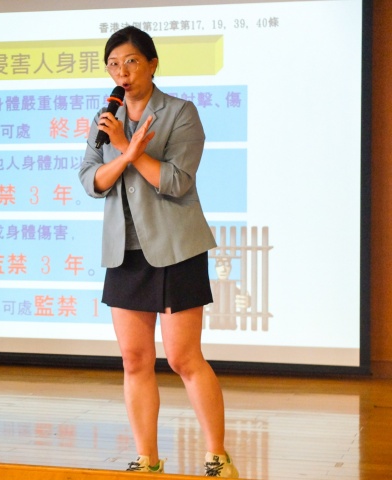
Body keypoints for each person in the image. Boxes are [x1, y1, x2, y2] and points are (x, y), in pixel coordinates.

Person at [78, 26, 239, 478]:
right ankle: (146, 459)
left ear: (152, 64)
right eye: (113, 65)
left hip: (175, 248)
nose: (122, 72)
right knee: (134, 360)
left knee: (184, 359)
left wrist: (126, 150)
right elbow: (91, 180)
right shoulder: (105, 119)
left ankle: (217, 456)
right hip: (124, 252)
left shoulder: (181, 113)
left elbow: (176, 182)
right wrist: (123, 153)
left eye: (130, 61)